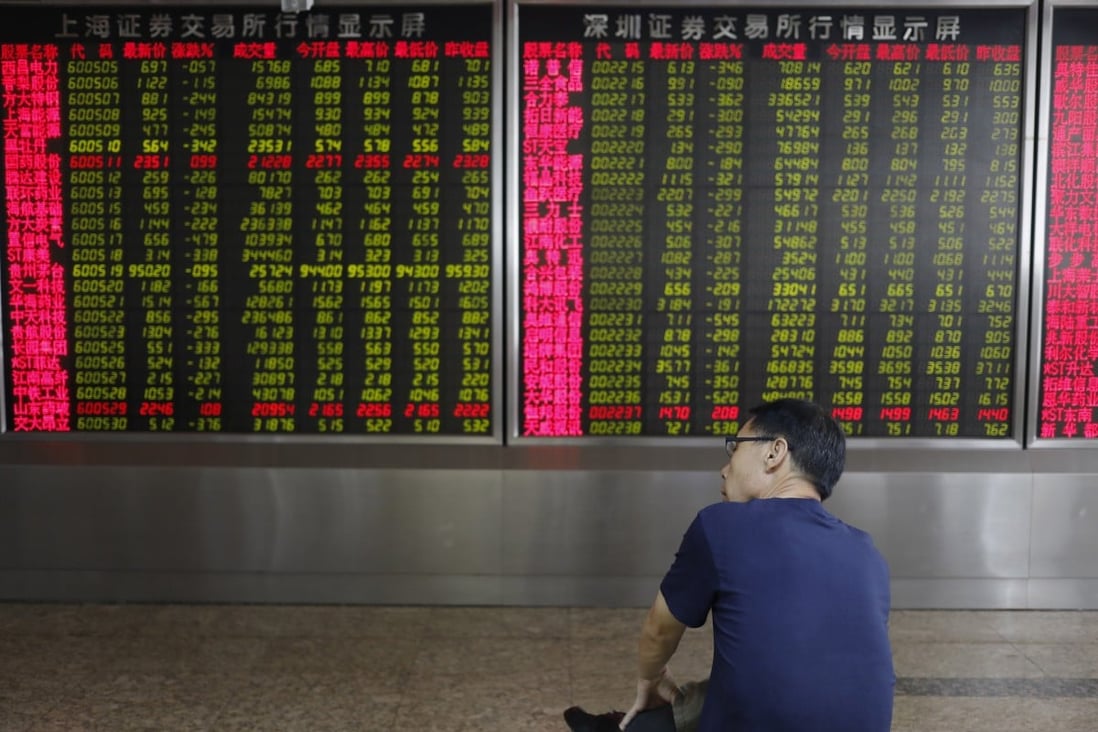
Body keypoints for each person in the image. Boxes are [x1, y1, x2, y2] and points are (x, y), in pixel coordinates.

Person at [564, 398, 894, 732]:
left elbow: (659, 629)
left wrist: (652, 679)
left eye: (735, 449)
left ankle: (630, 727)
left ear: (774, 453)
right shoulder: (868, 551)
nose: (725, 468)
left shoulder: (722, 525)